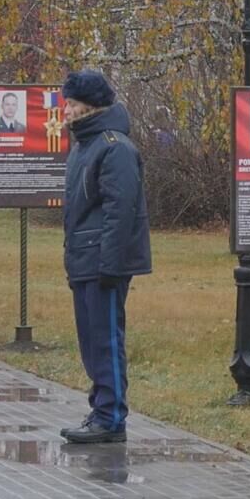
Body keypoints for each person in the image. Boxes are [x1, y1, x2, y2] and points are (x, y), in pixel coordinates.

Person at [59, 70, 152, 444]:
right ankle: (101, 408)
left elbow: (120, 210)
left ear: (90, 107)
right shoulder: (85, 145)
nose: (64, 111)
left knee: (105, 340)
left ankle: (111, 417)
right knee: (90, 340)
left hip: (102, 261)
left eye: (71, 104)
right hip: (84, 256)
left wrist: (110, 264)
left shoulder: (114, 148)